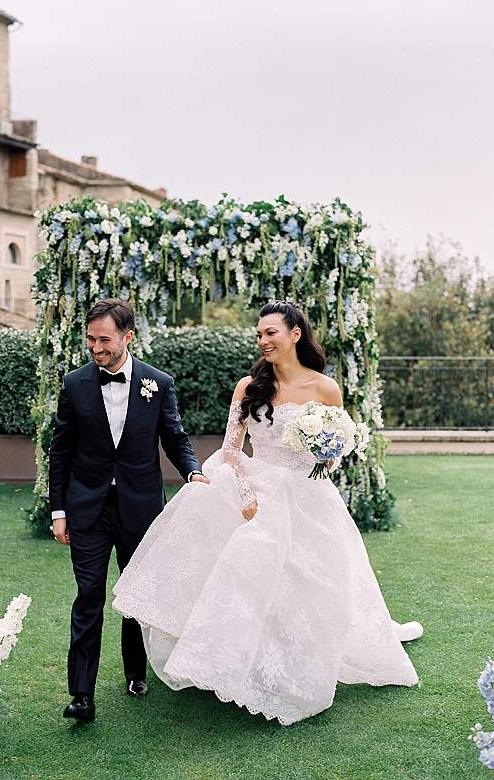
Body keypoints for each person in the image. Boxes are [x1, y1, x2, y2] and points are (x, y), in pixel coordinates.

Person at [113, 300, 422, 725]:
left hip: (308, 496)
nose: (263, 341)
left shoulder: (325, 389)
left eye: (270, 333)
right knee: (242, 565)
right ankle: (232, 660)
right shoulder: (249, 386)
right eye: (259, 334)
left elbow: (331, 456)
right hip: (256, 484)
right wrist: (245, 495)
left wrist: (325, 452)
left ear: (295, 334)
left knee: (311, 579)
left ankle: (293, 666)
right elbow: (230, 451)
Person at [49, 298, 209, 722]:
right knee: (88, 597)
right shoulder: (75, 384)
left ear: (127, 337)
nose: (95, 348)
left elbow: (175, 438)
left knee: (135, 595)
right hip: (87, 509)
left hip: (140, 507)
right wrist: (58, 510)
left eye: (104, 340)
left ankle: (136, 672)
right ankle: (81, 695)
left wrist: (192, 471)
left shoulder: (158, 383)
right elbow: (60, 452)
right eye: (90, 340)